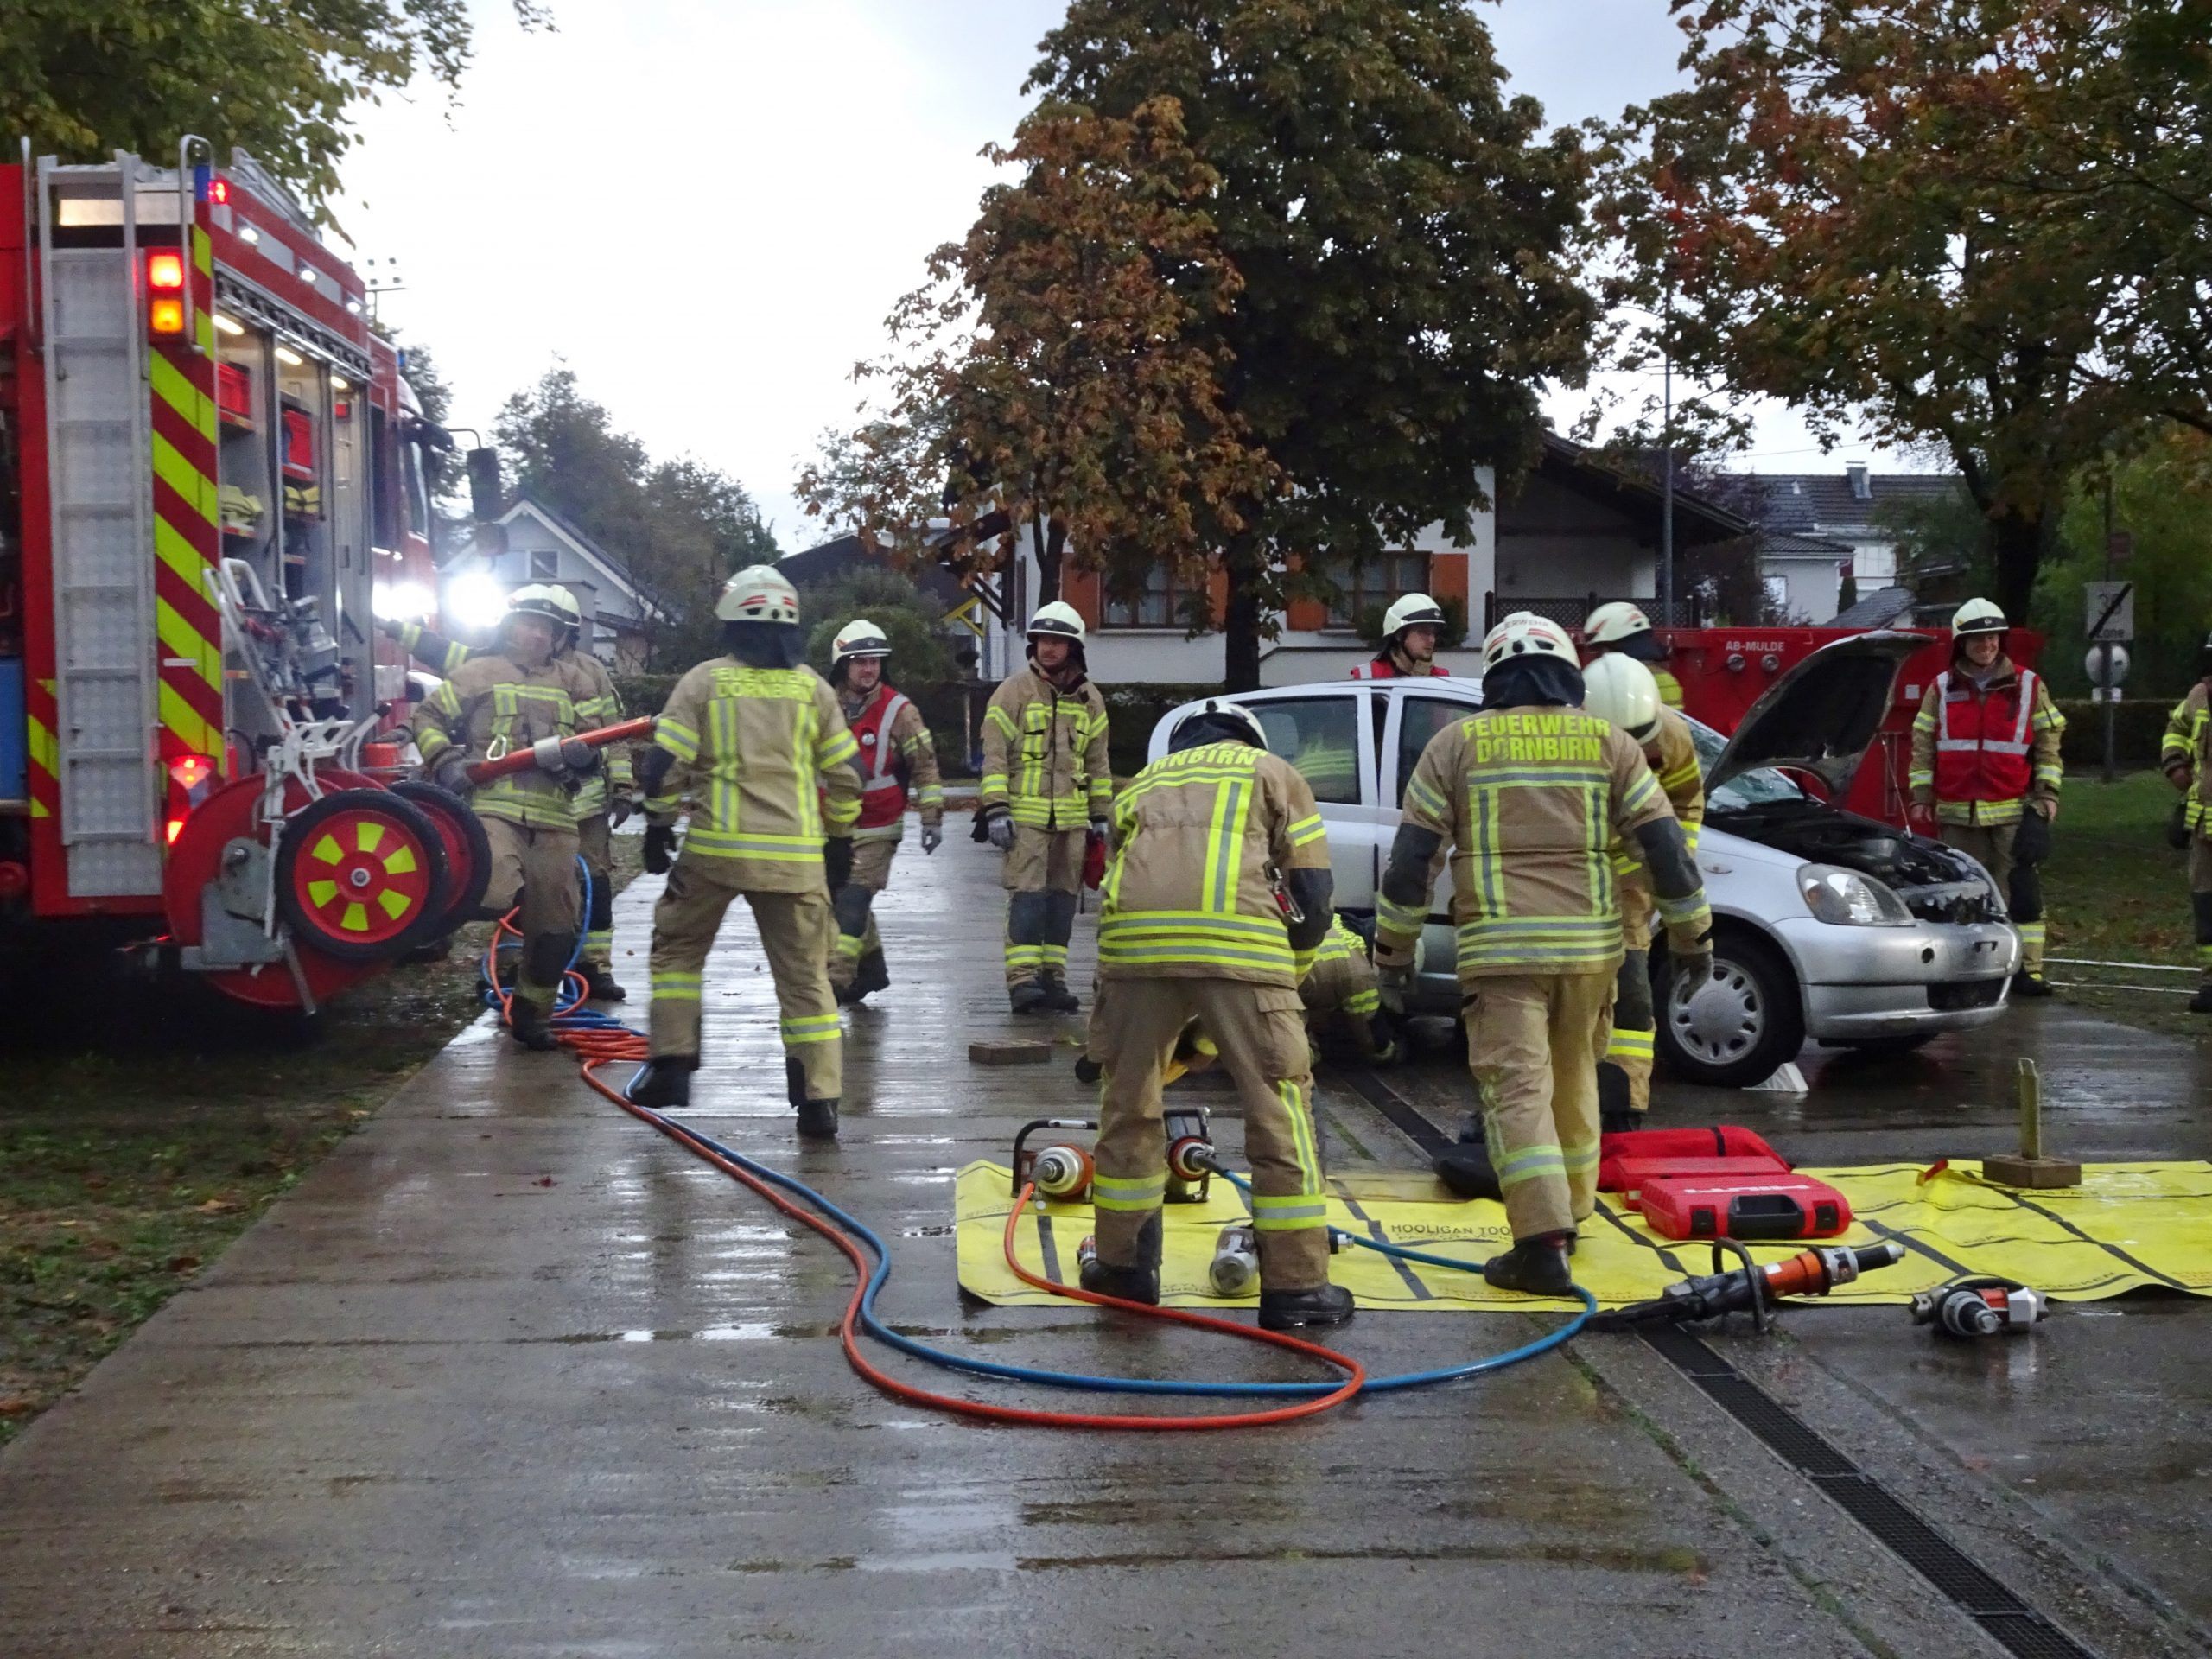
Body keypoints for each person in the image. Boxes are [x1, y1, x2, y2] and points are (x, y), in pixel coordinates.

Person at [1375, 612, 1711, 1294]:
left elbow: (1413, 862)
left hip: (1503, 954)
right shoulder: (1609, 743)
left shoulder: (1455, 745)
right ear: (1567, 672)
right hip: (1593, 952)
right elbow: (1666, 849)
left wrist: (1393, 953)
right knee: (1575, 1081)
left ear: (1494, 676)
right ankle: (1573, 1216)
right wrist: (1692, 935)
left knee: (1518, 1093)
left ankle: (1537, 1245)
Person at [1084, 698, 1351, 1330]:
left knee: (1128, 1105)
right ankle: (1296, 1289)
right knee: (1278, 1107)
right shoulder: (1274, 773)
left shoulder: (1141, 784)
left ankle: (1124, 1271)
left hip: (1136, 957)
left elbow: (1112, 888)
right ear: (1248, 737)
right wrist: (1291, 976)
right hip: (1243, 953)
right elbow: (1312, 898)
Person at [626, 567, 861, 1138]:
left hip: (713, 854)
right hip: (796, 861)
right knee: (807, 979)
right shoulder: (814, 689)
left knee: (677, 953)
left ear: (731, 624)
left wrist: (658, 826)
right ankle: (818, 1100)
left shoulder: (704, 682)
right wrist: (840, 840)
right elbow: (848, 774)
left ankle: (673, 1065)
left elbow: (663, 766)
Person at [385, 588, 635, 1000]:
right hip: (496, 806)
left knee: (563, 919)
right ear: (510, 629)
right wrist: (445, 761)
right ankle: (477, 955)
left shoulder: (581, 678)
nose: (538, 636)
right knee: (499, 890)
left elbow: (603, 736)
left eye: (548, 629)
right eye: (529, 625)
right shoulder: (481, 669)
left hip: (564, 810)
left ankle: (538, 1009)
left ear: (561, 634)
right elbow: (430, 704)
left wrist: (594, 767)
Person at [1908, 598, 2064, 997]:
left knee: (2022, 891)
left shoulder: (2029, 685)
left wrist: (2047, 796)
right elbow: (1923, 743)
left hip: (2013, 808)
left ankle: (2028, 972)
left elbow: (2049, 742)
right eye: (1978, 639)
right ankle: (1970, 970)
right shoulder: (1941, 688)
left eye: (1993, 637)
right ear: (1962, 643)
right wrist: (1921, 794)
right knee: (1961, 893)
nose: (1987, 646)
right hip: (1958, 813)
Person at [1580, 652, 1706, 1127]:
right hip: (1578, 878)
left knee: (1632, 991)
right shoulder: (1571, 742)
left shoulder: (1671, 733)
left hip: (1633, 879)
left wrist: (1674, 864)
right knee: (1578, 995)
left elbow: (1687, 803)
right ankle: (1577, 1101)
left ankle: (1626, 1104)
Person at [977, 602, 1111, 1014]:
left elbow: (1098, 763)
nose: (1048, 648)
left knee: (1062, 901)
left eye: (1057, 641)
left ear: (1073, 647)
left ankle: (1053, 978)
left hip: (1072, 822)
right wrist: (997, 809)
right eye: (1042, 640)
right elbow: (995, 756)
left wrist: (1101, 817)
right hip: (1025, 822)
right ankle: (1022, 981)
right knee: (1027, 900)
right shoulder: (1013, 692)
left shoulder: (1091, 700)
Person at [823, 619, 944, 1005]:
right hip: (832, 826)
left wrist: (931, 818)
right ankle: (872, 971)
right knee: (836, 898)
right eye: (859, 660)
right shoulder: (821, 706)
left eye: (875, 661)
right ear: (843, 664)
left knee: (853, 900)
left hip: (880, 825)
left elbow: (925, 766)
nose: (868, 668)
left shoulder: (900, 710)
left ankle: (834, 981)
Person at [2161, 634, 2212, 1013]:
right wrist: (2175, 764)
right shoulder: (2199, 695)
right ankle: (2211, 981)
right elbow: (2175, 727)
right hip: (2204, 829)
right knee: (2206, 905)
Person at [1299, 915, 1398, 1065]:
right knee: (1297, 1056)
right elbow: (1374, 1038)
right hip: (1293, 981)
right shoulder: (1359, 975)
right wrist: (1392, 1050)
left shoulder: (1336, 922)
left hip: (1280, 971)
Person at [1583, 601, 1684, 710]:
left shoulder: (1615, 687)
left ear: (1611, 649)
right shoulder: (1666, 679)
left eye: (1600, 650)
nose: (1600, 658)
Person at [1349, 593, 1452, 679]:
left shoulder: (1442, 678)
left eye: (1433, 633)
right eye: (1423, 632)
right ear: (1399, 635)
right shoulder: (1368, 676)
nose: (1431, 640)